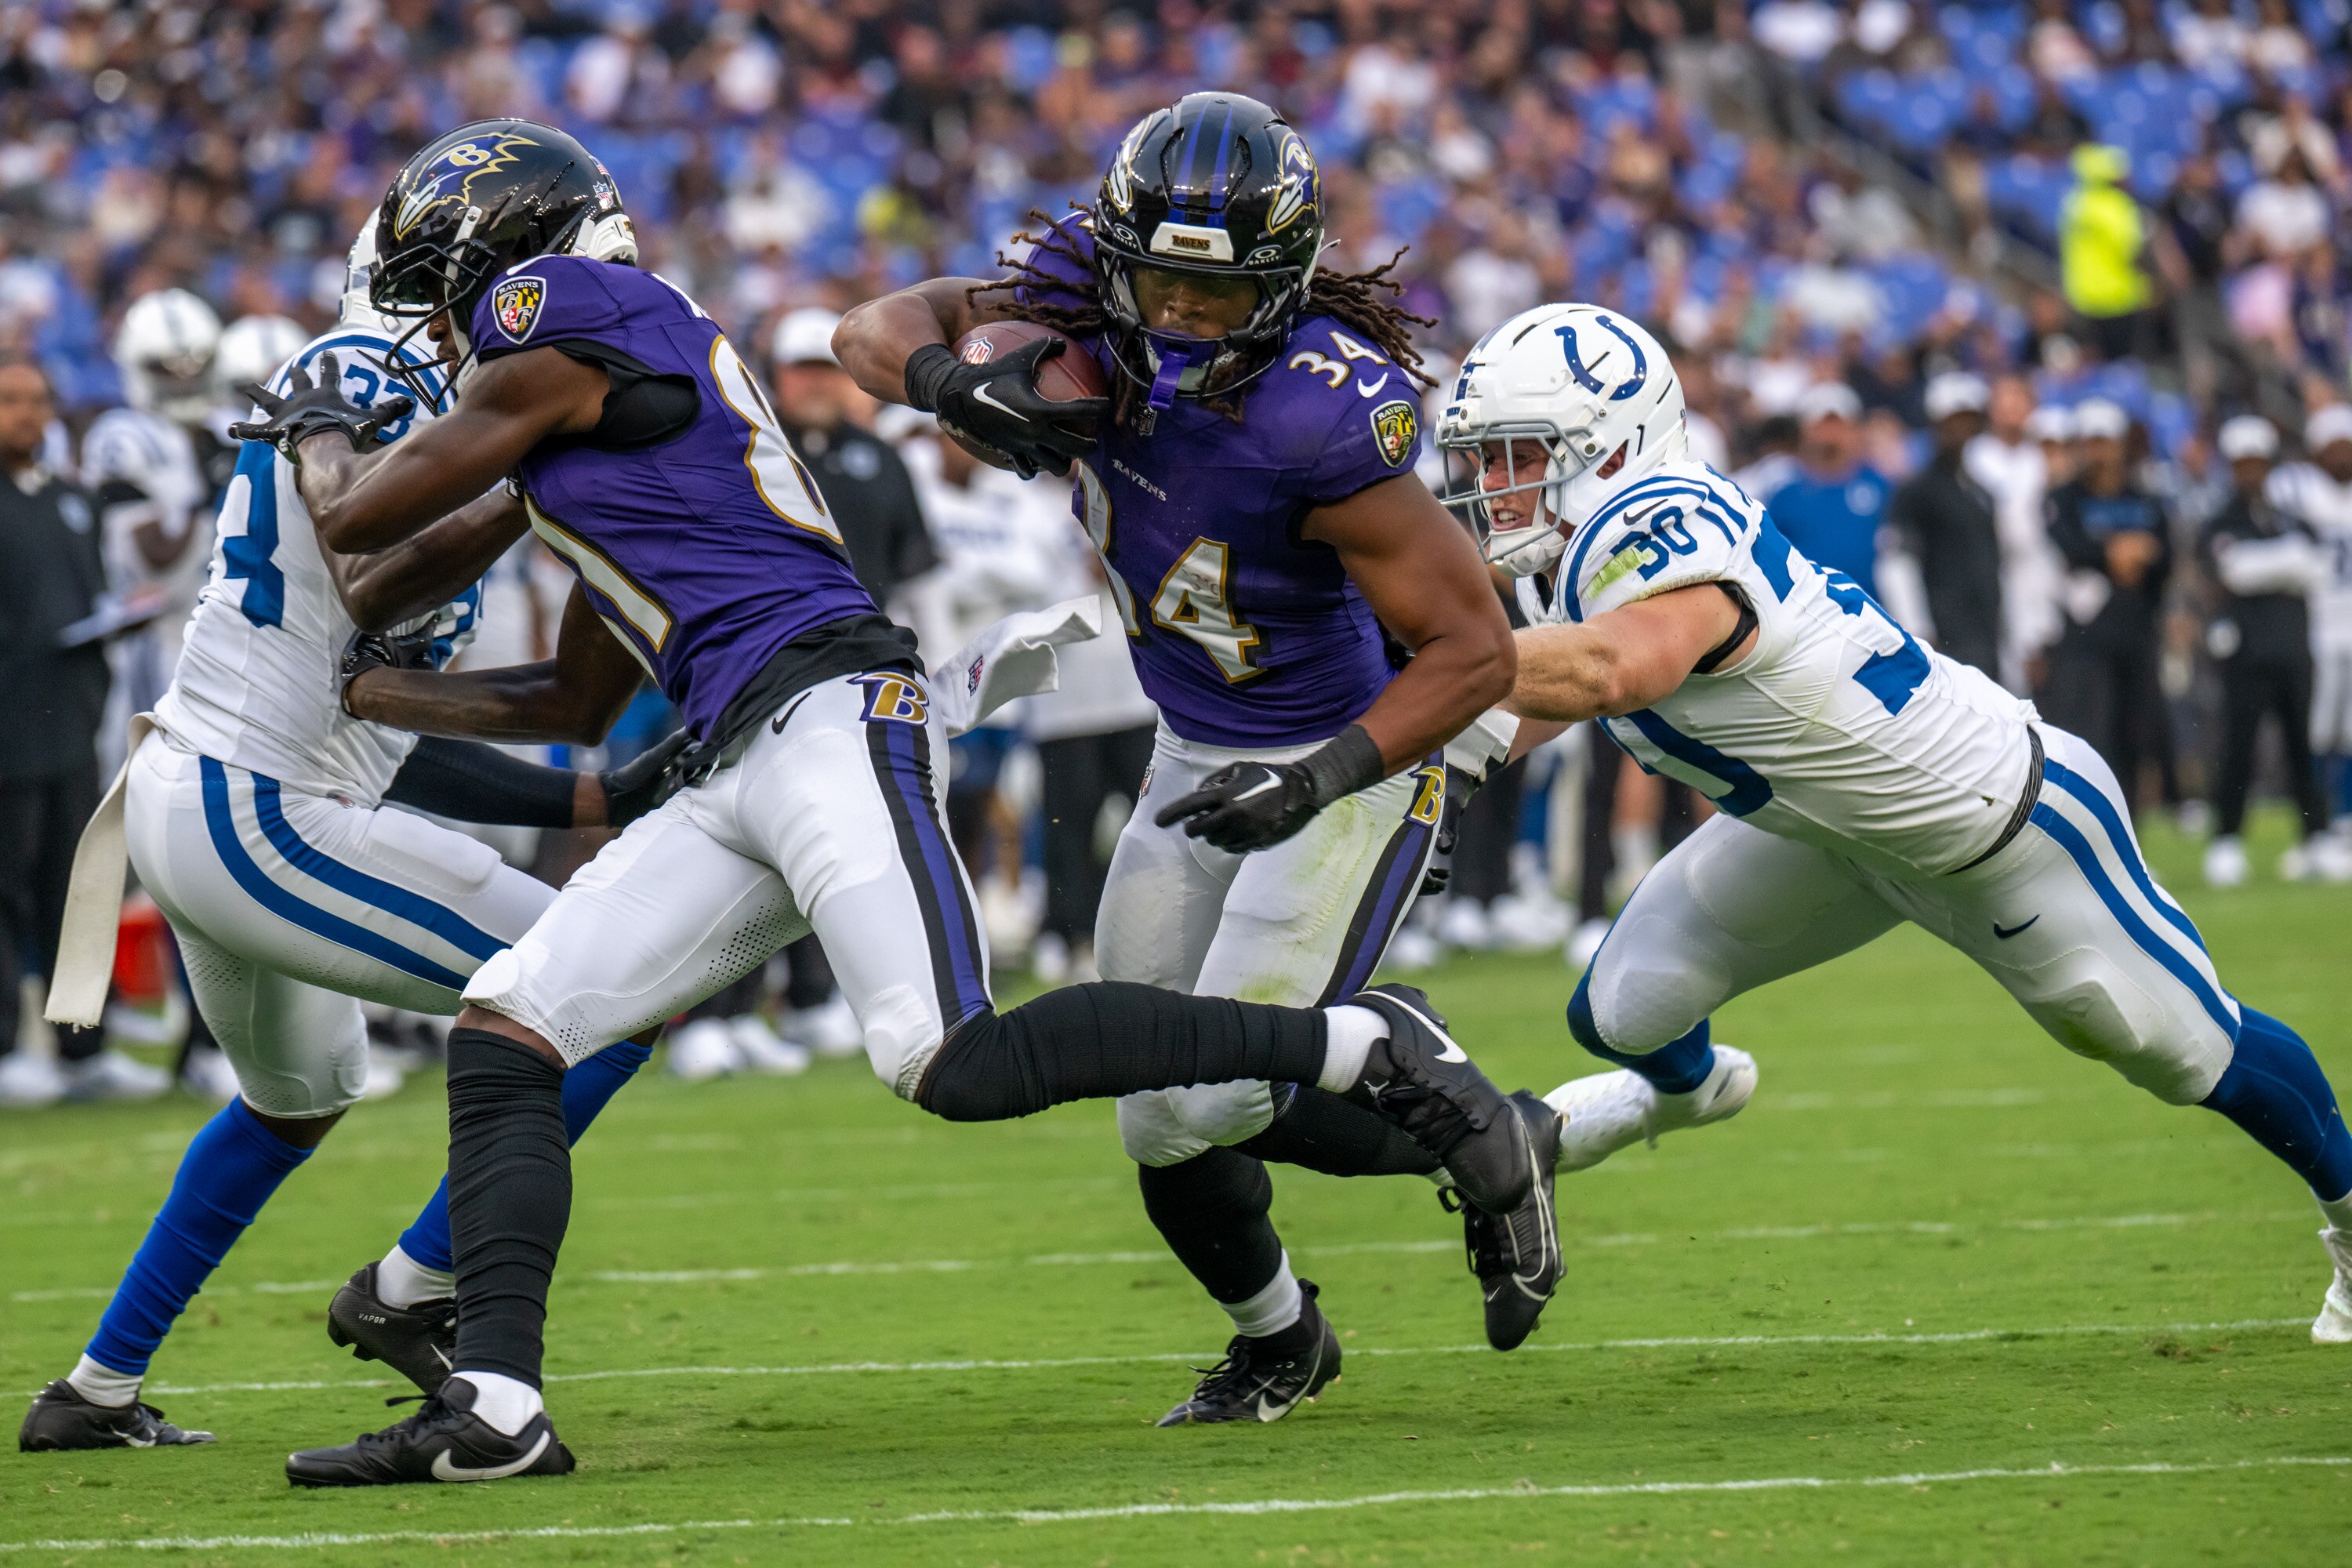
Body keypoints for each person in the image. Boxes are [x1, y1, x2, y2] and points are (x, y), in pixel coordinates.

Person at [238, 118, 1534, 1486]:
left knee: (948, 1062)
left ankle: (1358, 1051)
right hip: (740, 746)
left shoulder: (573, 306)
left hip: (827, 717)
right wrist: (372, 693)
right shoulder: (579, 418)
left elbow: (361, 521)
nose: (437, 326)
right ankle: (496, 1406)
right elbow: (510, 664)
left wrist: (320, 432)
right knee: (510, 1029)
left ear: (503, 261)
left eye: (441, 286)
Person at [1442, 300, 2352, 1356]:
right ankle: (1686, 1095)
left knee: (2184, 1051)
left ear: (1610, 447)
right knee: (1622, 1011)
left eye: (1518, 455)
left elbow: (1614, 667)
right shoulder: (1576, 552)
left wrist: (1433, 677)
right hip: (1822, 833)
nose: (1496, 484)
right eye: (1487, 458)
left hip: (2000, 824)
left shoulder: (1661, 521)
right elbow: (1542, 696)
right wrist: (1411, 752)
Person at [840, 92, 1557, 1418]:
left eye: (1217, 298)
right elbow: (866, 331)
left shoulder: (1319, 417)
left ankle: (1428, 1073)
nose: (1180, 318)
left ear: (1281, 285)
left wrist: (1321, 775)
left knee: (1209, 1094)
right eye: (1161, 282)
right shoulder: (1074, 306)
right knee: (1158, 1103)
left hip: (1342, 758)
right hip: (1193, 742)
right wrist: (952, 381)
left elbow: (1476, 654)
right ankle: (1286, 1335)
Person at [16, 220, 686, 1453]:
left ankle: (93, 1393)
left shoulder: (411, 386)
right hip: (256, 814)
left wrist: (582, 799)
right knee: (607, 995)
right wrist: (538, 478)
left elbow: (372, 725)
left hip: (217, 794)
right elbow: (366, 552)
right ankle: (410, 1288)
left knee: (298, 1095)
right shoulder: (385, 378)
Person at [0, 354, 169, 1108]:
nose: (28, 415)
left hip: (69, 722)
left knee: (80, 886)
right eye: (11, 400)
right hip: (7, 728)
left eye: (38, 400)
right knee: (7, 890)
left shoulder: (70, 499)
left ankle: (83, 1048)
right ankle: (9, 1048)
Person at [2198, 415, 2341, 887]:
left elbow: (2319, 565)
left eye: (2258, 462)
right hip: (2245, 656)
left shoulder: (2287, 515)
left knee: (2305, 747)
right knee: (2239, 749)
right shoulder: (2221, 518)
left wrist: (2266, 563)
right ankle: (2227, 839)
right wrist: (2287, 560)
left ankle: (2315, 838)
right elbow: (2233, 571)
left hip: (2294, 650)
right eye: (2243, 463)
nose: (2251, 472)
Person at [2043, 399, 2174, 811]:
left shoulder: (2146, 498)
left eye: (2106, 442)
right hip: (2085, 639)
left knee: (2136, 738)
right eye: (2091, 442)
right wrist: (2115, 552)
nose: (2099, 452)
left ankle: (2130, 837)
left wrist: (2127, 555)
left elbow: (2165, 556)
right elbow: (2068, 547)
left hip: (2137, 633)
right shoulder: (2063, 497)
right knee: (2089, 738)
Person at [2267, 405, 2352, 853]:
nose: (2341, 455)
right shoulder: (2298, 487)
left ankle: (2345, 820)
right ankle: (2319, 821)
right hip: (2315, 624)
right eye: (2333, 447)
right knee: (2318, 730)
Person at [1888, 372, 2004, 677]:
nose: (1962, 430)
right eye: (1953, 420)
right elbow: (1897, 563)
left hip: (1987, 634)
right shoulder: (1916, 490)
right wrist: (1917, 630)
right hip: (1944, 638)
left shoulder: (1981, 490)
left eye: (1969, 420)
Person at [1759, 382, 1889, 598]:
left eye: (1839, 425)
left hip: (1875, 612)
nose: (1831, 435)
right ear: (1805, 430)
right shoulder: (1784, 495)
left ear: (1854, 429)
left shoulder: (1880, 486)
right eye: (1822, 425)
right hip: (1811, 613)